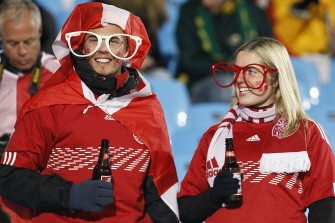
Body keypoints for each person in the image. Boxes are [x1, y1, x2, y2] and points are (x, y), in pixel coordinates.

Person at [0, 2, 179, 223]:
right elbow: (10, 177)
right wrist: (69, 195)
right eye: (94, 39)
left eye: (114, 41)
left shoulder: (147, 108)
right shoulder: (49, 104)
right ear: (82, 46)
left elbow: (159, 193)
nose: (103, 49)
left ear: (126, 50)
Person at [177, 37, 335, 222]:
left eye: (251, 71)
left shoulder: (307, 132)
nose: (240, 80)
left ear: (275, 78)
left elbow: (325, 206)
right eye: (236, 71)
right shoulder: (215, 136)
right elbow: (185, 211)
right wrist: (212, 197)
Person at [175, 0, 273, 103]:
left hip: (247, 76)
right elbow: (190, 60)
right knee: (228, 86)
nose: (205, 2)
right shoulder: (190, 12)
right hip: (203, 80)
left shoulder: (253, 13)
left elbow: (267, 54)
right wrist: (230, 69)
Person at [0, 0, 59, 156]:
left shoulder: (61, 73)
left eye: (29, 41)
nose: (22, 51)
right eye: (12, 43)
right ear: (1, 37)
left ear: (39, 31)